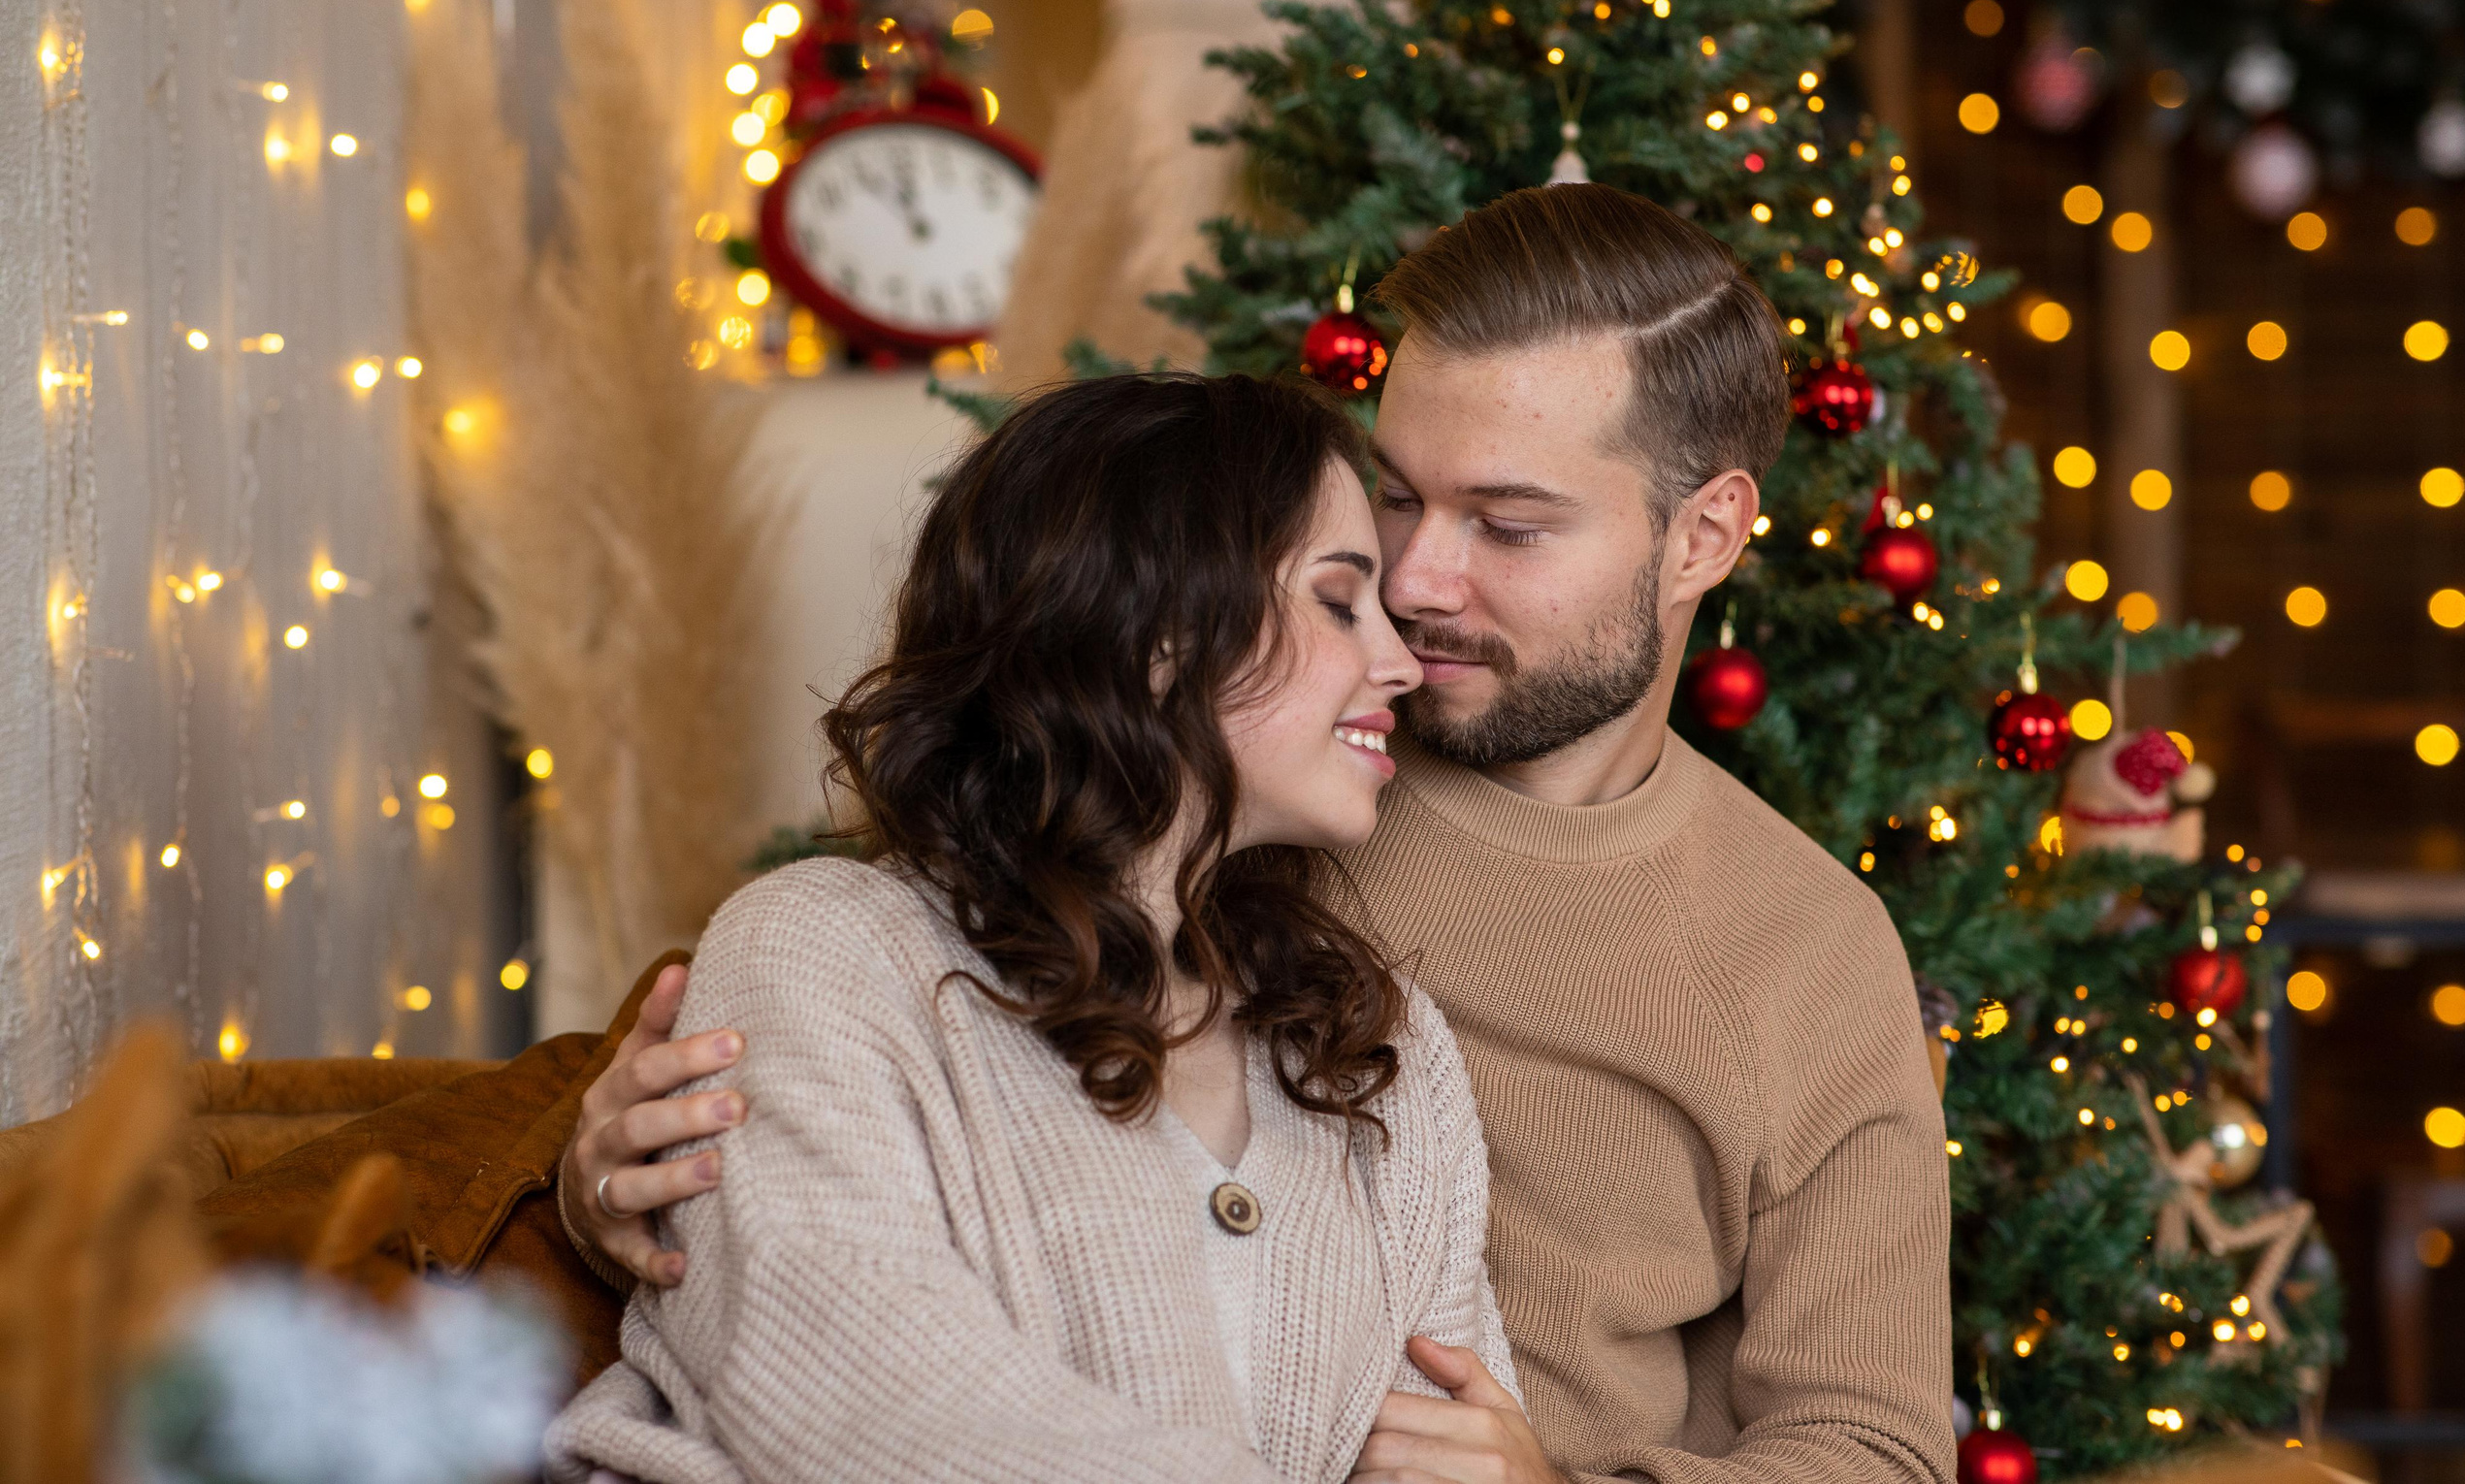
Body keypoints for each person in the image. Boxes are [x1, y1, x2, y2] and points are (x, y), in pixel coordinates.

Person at [565, 184, 1954, 1484]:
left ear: (1705, 536)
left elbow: (1875, 1449)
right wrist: (628, 1186)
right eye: (1397, 497)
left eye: (1509, 525)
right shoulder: (1232, 770)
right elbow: (863, 1058)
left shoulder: (1802, 949)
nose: (1416, 583)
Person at [545, 374, 1528, 1484]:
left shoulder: (1381, 1048)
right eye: (1339, 602)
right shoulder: (822, 950)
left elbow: (1453, 1437)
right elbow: (867, 1410)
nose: (1401, 663)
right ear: (1156, 633)